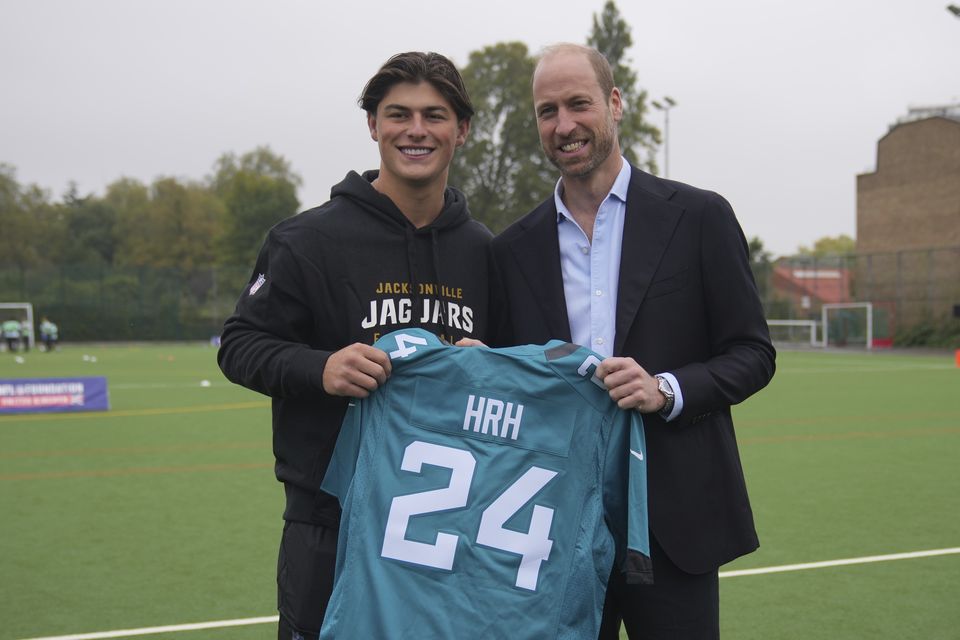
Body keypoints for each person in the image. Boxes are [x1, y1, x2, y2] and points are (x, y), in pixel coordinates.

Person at [489, 43, 776, 639]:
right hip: (552, 530)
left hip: (674, 528)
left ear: (614, 104)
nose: (564, 125)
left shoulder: (699, 217)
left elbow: (752, 354)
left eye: (578, 104)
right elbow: (505, 378)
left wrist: (666, 389)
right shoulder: (511, 250)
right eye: (547, 111)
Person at [217, 51, 491, 640]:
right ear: (373, 126)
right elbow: (239, 344)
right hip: (330, 522)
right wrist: (322, 368)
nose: (416, 130)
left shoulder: (485, 252)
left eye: (435, 116)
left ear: (461, 130)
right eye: (398, 114)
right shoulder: (307, 238)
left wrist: (484, 364)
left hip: (450, 527)